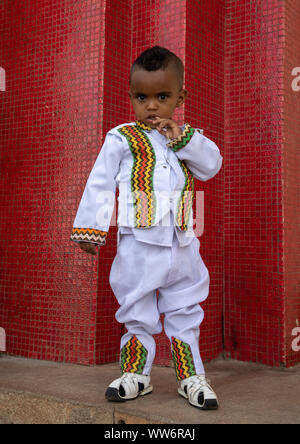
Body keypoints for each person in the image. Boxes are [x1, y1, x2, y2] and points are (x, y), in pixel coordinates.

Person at [70, 46, 223, 410]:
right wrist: (92, 228)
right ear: (131, 97)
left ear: (180, 97)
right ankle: (136, 374)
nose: (152, 106)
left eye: (162, 96)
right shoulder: (122, 137)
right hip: (138, 243)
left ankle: (191, 377)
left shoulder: (186, 138)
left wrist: (183, 138)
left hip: (183, 241)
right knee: (136, 306)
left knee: (186, 306)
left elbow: (211, 166)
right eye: (142, 97)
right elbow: (100, 182)